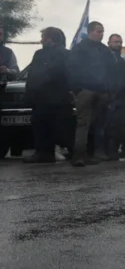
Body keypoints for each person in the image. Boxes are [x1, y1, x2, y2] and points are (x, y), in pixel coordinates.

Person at [66, 21, 113, 166]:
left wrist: (107, 89)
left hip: (101, 91)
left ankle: (91, 154)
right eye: (98, 31)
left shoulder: (104, 50)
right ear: (90, 32)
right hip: (85, 91)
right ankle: (79, 156)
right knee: (83, 124)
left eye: (103, 31)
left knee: (96, 124)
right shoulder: (81, 48)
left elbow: (110, 70)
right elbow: (72, 69)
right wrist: (77, 89)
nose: (101, 34)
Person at [23, 27, 69, 164]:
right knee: (57, 126)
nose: (41, 40)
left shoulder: (41, 54)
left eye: (43, 37)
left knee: (41, 125)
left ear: (50, 39)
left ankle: (43, 153)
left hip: (45, 97)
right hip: (61, 98)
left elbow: (35, 75)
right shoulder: (67, 54)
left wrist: (30, 94)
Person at [93, 33, 125, 161]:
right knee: (102, 125)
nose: (118, 44)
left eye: (120, 42)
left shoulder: (121, 60)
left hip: (118, 97)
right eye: (115, 42)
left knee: (113, 126)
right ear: (109, 43)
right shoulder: (104, 57)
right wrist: (107, 94)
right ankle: (99, 150)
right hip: (106, 95)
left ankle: (111, 150)